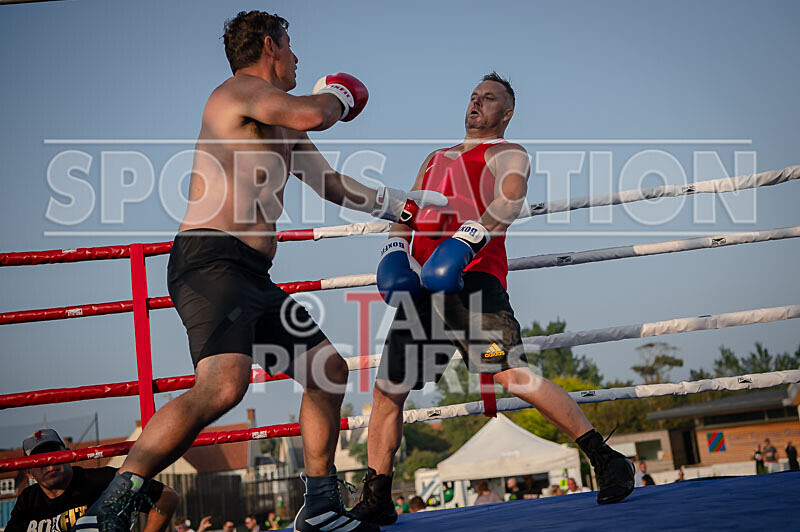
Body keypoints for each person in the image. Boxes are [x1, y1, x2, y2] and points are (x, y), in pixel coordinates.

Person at [72, 11, 443, 532]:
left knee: (327, 370)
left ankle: (319, 505)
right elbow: (317, 112)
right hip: (210, 262)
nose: (298, 60)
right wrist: (339, 93)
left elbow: (332, 185)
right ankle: (109, 510)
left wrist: (406, 208)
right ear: (270, 46)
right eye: (292, 48)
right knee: (222, 388)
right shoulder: (237, 94)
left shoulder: (282, 123)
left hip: (250, 276)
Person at [350, 73, 634, 527]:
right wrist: (394, 250)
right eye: (474, 96)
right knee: (387, 391)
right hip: (423, 287)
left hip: (473, 281)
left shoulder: (508, 152)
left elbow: (510, 199)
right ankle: (378, 494)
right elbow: (407, 213)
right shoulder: (434, 157)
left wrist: (465, 241)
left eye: (490, 98)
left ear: (507, 113)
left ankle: (606, 459)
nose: (477, 102)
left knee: (510, 375)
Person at [5, 429, 178, 532]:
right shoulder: (28, 500)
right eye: (40, 461)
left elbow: (167, 497)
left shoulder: (101, 480)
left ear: (68, 455)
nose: (50, 465)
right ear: (29, 471)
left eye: (55, 455)